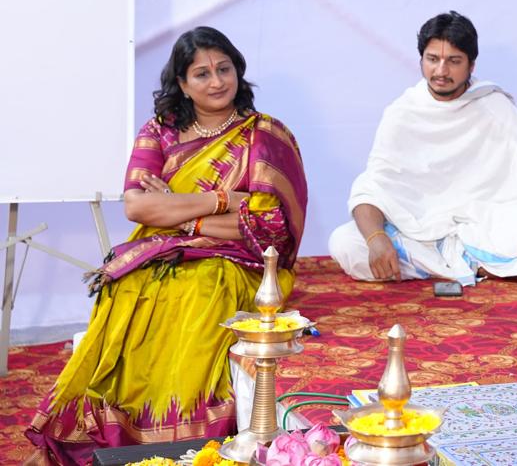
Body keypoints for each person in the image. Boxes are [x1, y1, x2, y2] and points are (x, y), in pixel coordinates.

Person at [25, 27, 308, 466]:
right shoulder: (159, 131)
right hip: (161, 250)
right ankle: (115, 429)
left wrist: (178, 208)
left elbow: (268, 226)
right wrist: (220, 200)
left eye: (224, 69)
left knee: (198, 289)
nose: (216, 81)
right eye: (202, 74)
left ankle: (184, 438)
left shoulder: (264, 135)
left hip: (237, 261)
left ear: (238, 71)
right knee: (128, 288)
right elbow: (138, 206)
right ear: (182, 82)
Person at [328, 11, 517, 284]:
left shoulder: (492, 105)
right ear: (421, 60)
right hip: (419, 231)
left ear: (471, 65)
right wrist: (376, 238)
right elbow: (373, 186)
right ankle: (478, 267)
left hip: (485, 224)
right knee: (345, 243)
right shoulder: (402, 113)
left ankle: (455, 265)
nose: (441, 71)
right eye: (432, 59)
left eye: (453, 61)